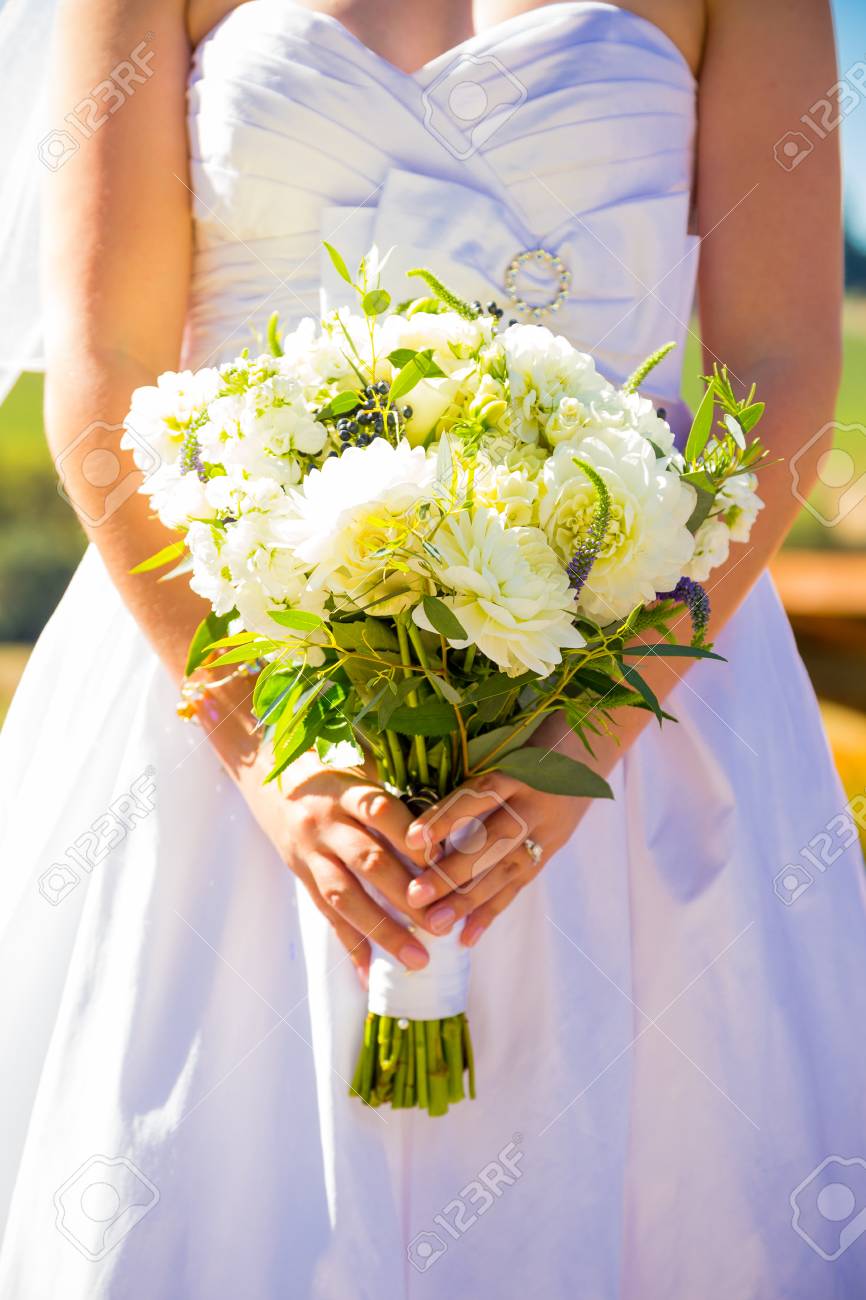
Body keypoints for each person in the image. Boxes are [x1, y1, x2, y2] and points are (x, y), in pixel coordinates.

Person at [1, 2, 864, 1296]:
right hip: (217, 662)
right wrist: (264, 747)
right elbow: (105, 360)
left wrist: (594, 728)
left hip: (633, 679)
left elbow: (781, 363)